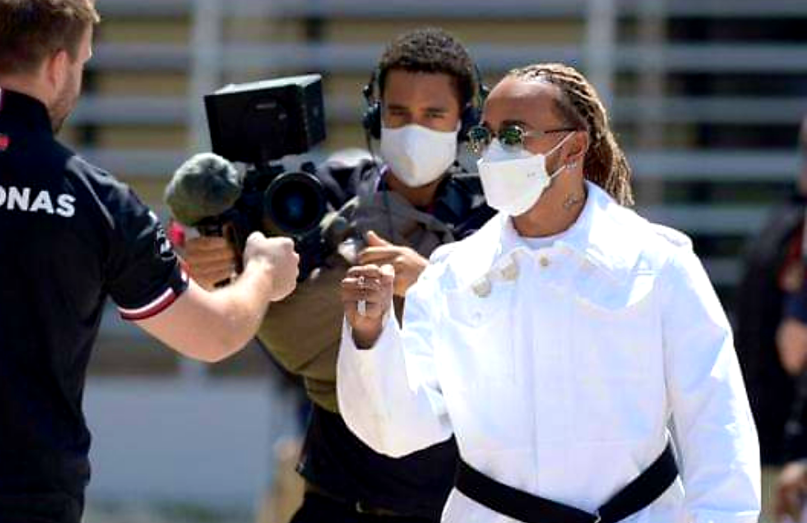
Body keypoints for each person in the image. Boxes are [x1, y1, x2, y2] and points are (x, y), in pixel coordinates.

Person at [0, 1, 299, 522]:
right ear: (58, 65)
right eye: (83, 63)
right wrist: (264, 272)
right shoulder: (97, 200)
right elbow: (214, 334)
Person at [338, 62, 760, 523]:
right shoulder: (450, 276)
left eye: (515, 135)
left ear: (574, 146)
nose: (496, 152)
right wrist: (370, 336)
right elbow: (400, 431)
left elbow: (717, 420)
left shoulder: (658, 265)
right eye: (485, 137)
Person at [178, 28, 494, 522]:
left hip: (451, 505)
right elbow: (239, 254)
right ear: (375, 115)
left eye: (434, 115)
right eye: (397, 113)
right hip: (338, 500)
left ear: (465, 121)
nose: (414, 129)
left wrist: (430, 279)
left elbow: (511, 333)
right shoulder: (326, 190)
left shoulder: (494, 215)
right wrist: (211, 256)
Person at [736, 115, 807, 521]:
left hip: (765, 439)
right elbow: (794, 348)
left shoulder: (779, 221)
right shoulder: (793, 230)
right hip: (784, 448)